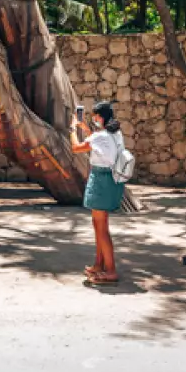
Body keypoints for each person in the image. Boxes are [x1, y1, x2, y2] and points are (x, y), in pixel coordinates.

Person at [70, 101, 127, 286]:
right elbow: (98, 142)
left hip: (101, 179)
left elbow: (76, 148)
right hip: (111, 179)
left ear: (101, 117)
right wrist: (86, 129)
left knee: (101, 228)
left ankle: (110, 271)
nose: (94, 119)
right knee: (99, 224)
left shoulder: (101, 136)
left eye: (95, 116)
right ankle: (99, 264)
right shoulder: (114, 133)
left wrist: (72, 130)